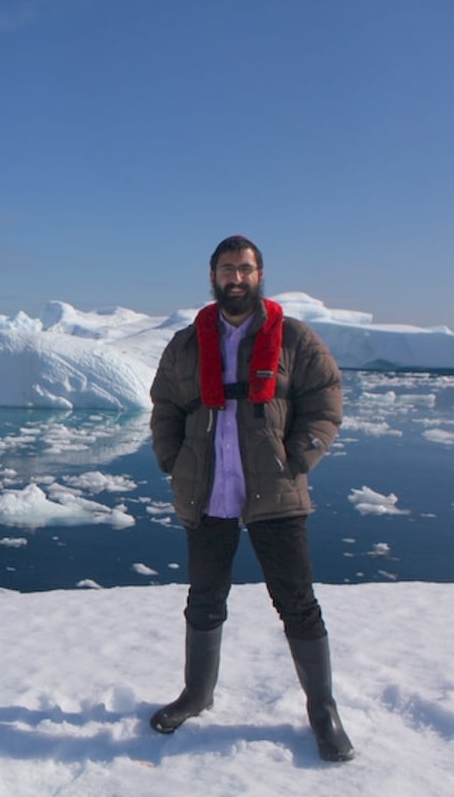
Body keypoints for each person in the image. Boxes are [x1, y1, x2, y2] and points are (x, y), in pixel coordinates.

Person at [147, 234, 355, 762]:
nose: (235, 278)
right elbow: (165, 406)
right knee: (204, 597)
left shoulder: (295, 339)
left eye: (244, 269)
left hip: (276, 489)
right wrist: (174, 461)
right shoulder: (186, 344)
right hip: (208, 489)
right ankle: (197, 694)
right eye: (226, 269)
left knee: (298, 602)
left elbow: (325, 399)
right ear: (212, 275)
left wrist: (302, 454)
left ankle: (322, 709)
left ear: (259, 275)